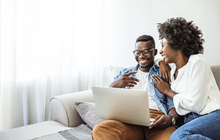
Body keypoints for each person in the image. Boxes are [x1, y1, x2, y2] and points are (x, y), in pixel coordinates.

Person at [92, 35, 180, 140]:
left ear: (155, 52)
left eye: (146, 51)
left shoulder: (163, 72)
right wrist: (114, 85)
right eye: (137, 52)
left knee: (171, 137)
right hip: (129, 121)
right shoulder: (124, 74)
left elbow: (174, 103)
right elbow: (105, 103)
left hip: (156, 119)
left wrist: (170, 118)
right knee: (100, 130)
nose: (141, 56)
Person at [151, 17, 220, 140]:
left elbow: (196, 104)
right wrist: (161, 62)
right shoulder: (172, 72)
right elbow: (154, 60)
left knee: (178, 136)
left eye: (163, 45)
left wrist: (168, 91)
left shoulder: (198, 62)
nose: (160, 51)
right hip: (191, 121)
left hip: (213, 116)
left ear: (175, 43)